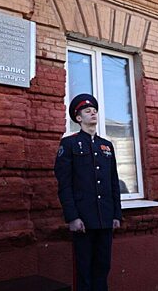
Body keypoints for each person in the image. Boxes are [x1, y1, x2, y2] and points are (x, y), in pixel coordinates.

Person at [54, 94, 122, 291]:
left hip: (105, 217)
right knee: (83, 270)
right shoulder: (69, 144)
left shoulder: (106, 146)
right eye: (87, 111)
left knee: (102, 267)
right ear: (78, 118)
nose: (92, 112)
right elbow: (64, 184)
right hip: (83, 219)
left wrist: (116, 214)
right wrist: (72, 217)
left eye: (94, 110)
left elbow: (113, 182)